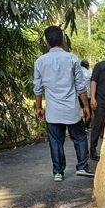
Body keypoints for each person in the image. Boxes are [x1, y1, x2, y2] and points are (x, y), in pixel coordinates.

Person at [33, 25, 94, 181]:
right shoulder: (72, 59)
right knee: (79, 137)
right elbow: (81, 87)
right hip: (71, 109)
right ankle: (82, 167)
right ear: (62, 40)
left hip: (53, 111)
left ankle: (58, 172)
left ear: (47, 42)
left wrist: (39, 108)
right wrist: (86, 106)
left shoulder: (40, 62)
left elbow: (38, 89)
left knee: (55, 141)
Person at [80, 60, 92, 130]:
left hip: (77, 96)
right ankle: (86, 127)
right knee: (88, 110)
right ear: (87, 66)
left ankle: (80, 128)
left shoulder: (77, 72)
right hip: (87, 95)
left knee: (79, 111)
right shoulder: (89, 74)